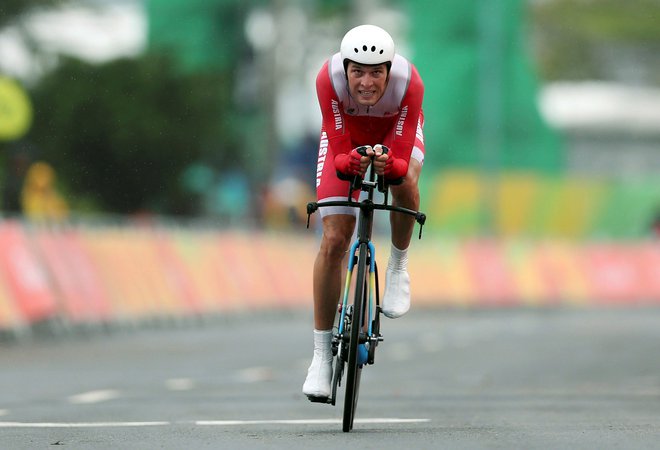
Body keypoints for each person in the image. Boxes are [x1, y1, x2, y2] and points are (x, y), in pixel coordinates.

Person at [303, 24, 425, 400]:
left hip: (394, 134)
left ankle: (398, 266)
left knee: (404, 181)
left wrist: (392, 166)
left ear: (390, 69)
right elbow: (337, 143)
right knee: (335, 236)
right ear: (345, 69)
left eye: (376, 73)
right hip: (347, 137)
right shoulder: (328, 79)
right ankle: (321, 358)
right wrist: (348, 161)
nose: (367, 82)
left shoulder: (410, 83)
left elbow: (403, 155)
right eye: (358, 71)